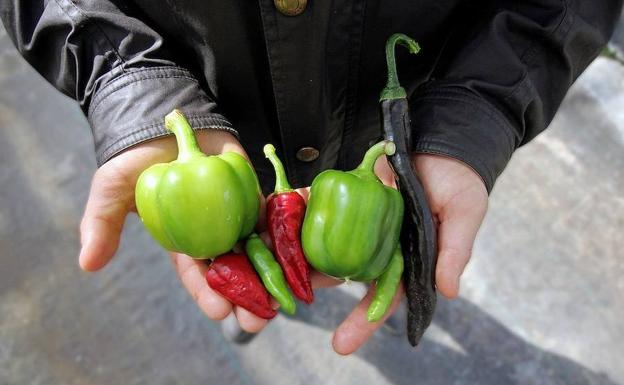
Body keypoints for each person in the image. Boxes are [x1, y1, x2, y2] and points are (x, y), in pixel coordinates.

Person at [1, 1, 621, 355]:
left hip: (398, 115)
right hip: (207, 100)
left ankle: (257, 303)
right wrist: (130, 81)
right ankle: (255, 303)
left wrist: (474, 114)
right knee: (250, 258)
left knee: (298, 251)